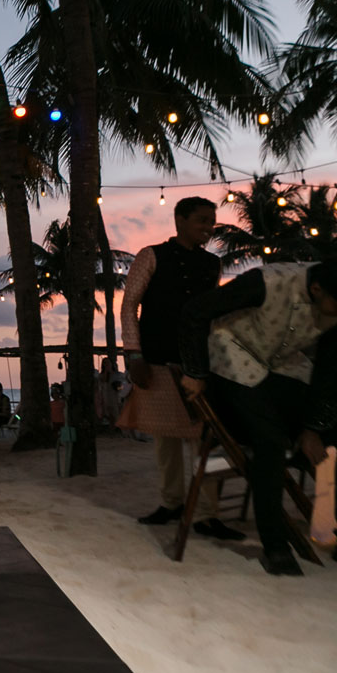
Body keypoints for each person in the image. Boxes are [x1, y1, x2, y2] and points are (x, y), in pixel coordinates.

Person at [179, 259, 337, 575]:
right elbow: (195, 310)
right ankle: (276, 547)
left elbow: (327, 373)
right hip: (231, 363)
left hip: (279, 366)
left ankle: (331, 531)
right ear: (317, 289)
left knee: (334, 431)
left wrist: (313, 428)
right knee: (270, 440)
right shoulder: (265, 282)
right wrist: (195, 371)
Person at [118, 197, 244, 541]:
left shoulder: (211, 264)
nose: (208, 228)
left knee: (203, 440)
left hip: (199, 364)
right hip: (156, 358)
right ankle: (171, 502)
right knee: (166, 441)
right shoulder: (151, 256)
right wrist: (133, 355)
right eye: (202, 220)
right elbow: (129, 306)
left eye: (211, 222)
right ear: (180, 220)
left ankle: (206, 514)